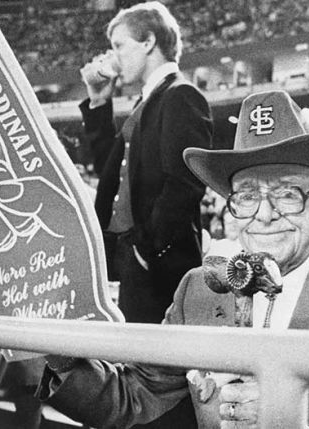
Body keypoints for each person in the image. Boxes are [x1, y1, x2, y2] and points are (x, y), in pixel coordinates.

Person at [37, 90, 309, 429]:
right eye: (246, 196)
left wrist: (286, 419)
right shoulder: (199, 289)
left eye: (288, 194)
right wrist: (60, 354)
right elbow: (131, 397)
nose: (264, 214)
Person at [78, 1, 213, 324]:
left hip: (156, 264)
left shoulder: (181, 95)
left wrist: (146, 250)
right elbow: (109, 171)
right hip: (135, 260)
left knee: (155, 368)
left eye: (119, 46)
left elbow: (185, 183)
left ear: (149, 42)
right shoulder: (147, 100)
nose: (113, 57)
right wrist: (98, 101)